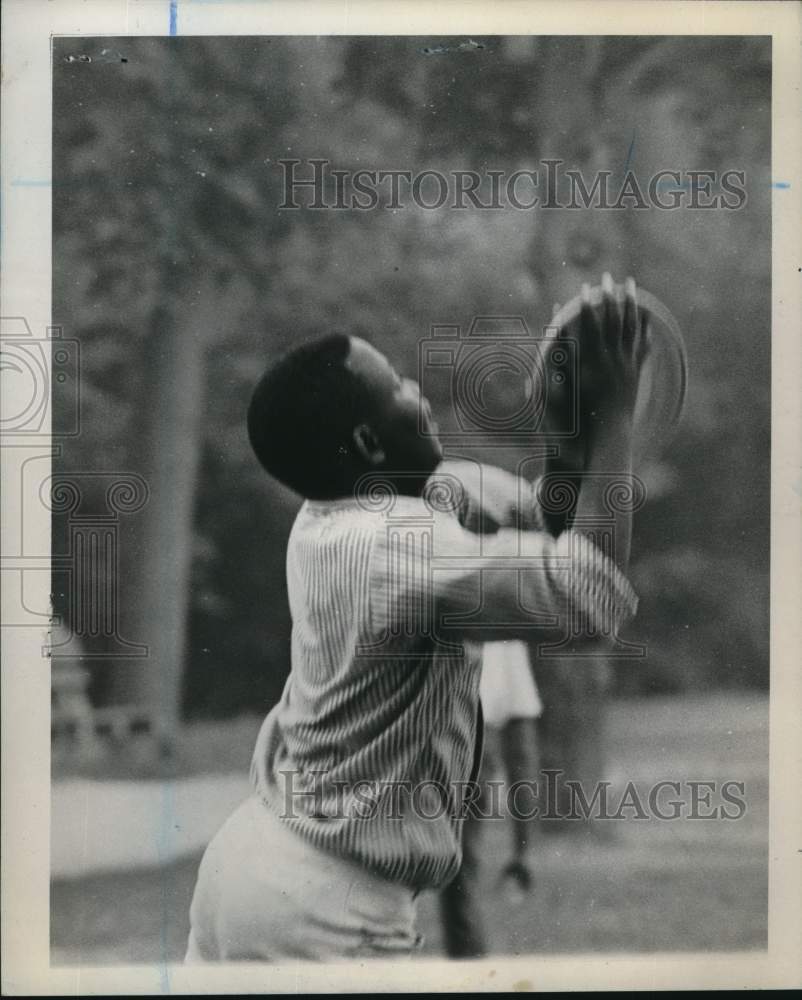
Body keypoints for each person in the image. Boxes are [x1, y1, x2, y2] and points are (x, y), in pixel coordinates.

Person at [185, 274, 648, 962]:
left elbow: (542, 523)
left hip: (254, 867)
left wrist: (568, 450)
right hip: (325, 909)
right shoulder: (394, 550)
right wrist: (614, 418)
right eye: (401, 386)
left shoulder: (345, 508)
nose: (419, 392)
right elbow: (592, 596)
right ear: (371, 444)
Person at [439, 639, 543, 958]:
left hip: (465, 750)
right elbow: (521, 746)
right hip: (437, 747)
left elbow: (521, 745)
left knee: (458, 878)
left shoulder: (503, 629)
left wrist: (523, 850)